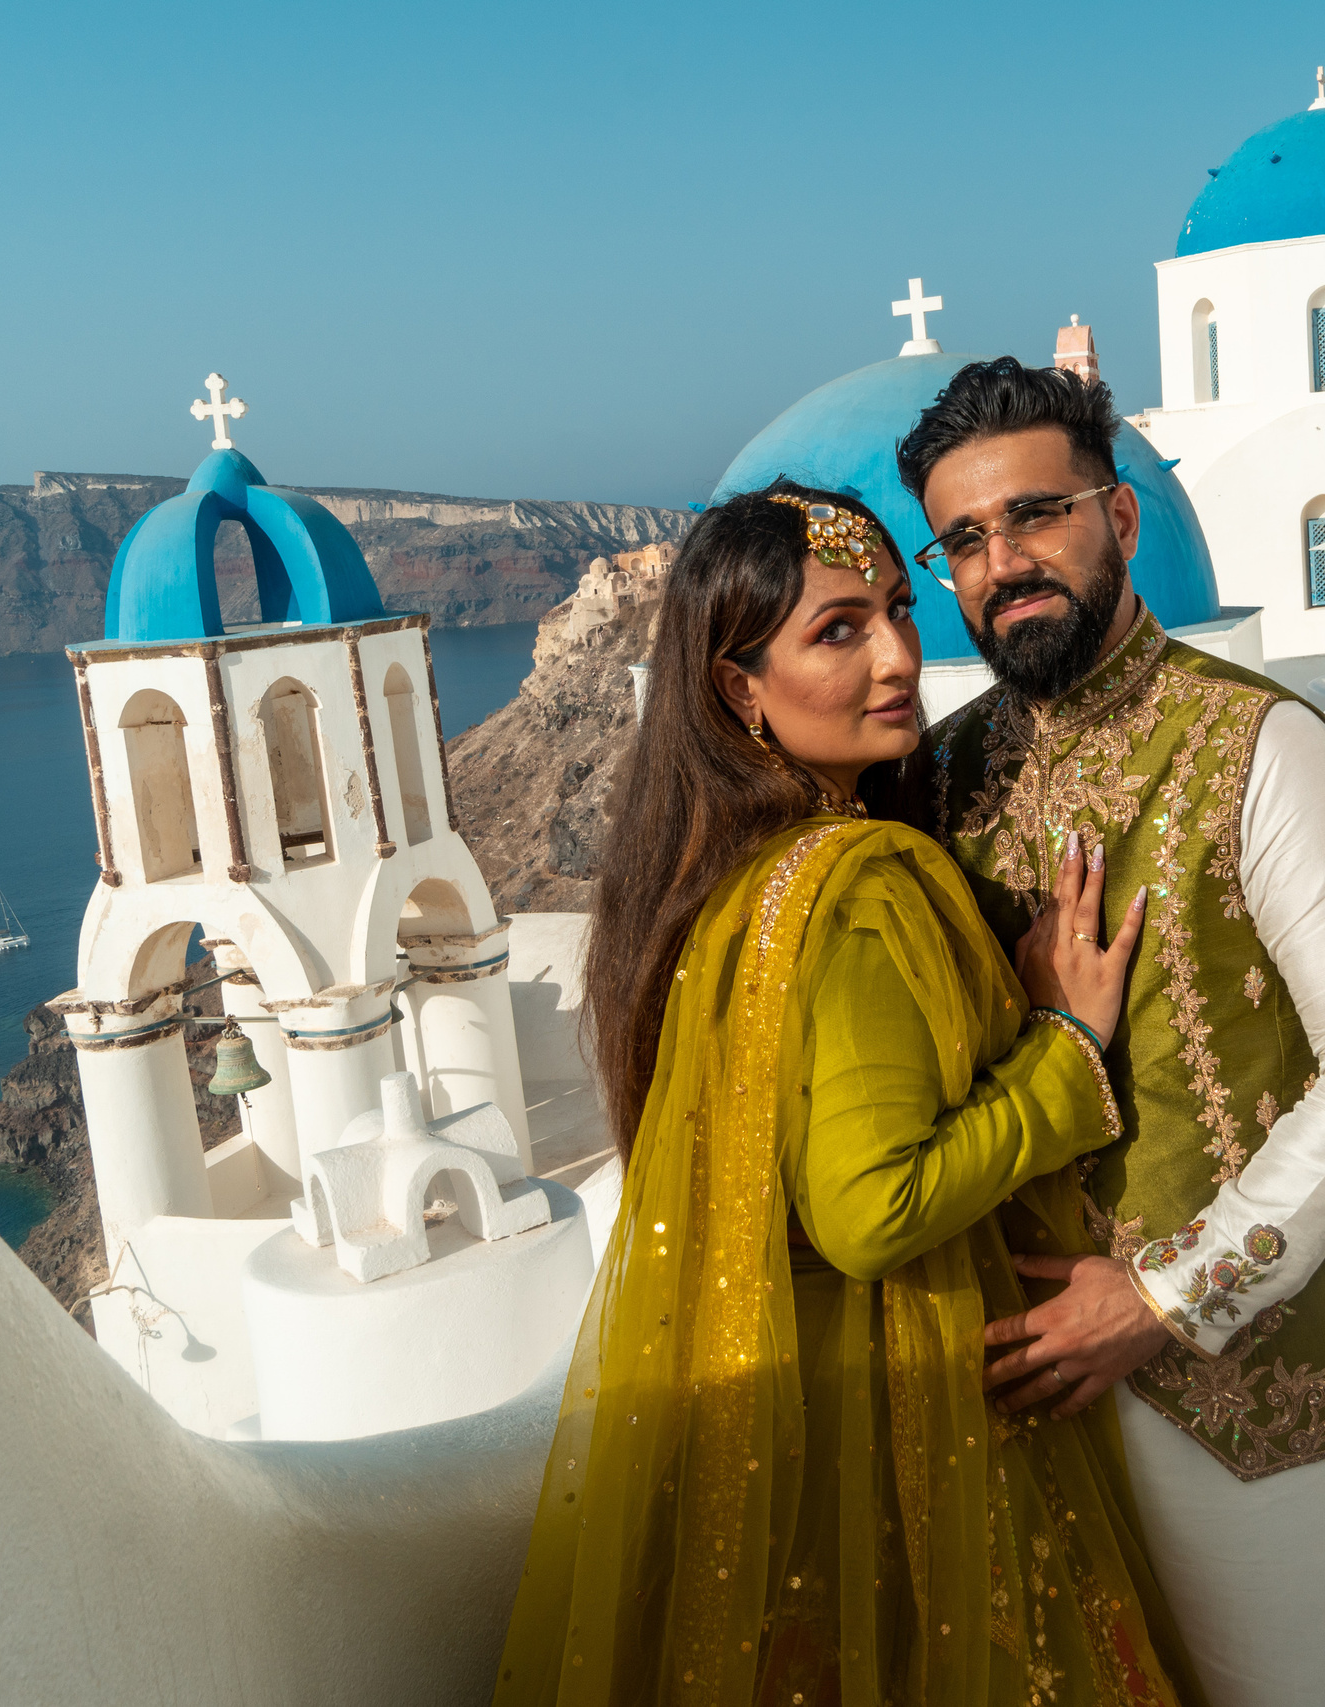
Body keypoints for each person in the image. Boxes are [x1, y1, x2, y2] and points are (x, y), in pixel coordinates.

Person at [492, 479, 1205, 1707]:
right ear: (737, 688)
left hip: (783, 1431)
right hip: (906, 1428)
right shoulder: (865, 881)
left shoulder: (709, 882)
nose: (895, 657)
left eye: (893, 610)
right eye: (836, 631)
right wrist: (1066, 1048)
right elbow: (871, 1207)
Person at [898, 361, 1325, 1706]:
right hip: (1030, 1401)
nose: (1004, 560)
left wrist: (1158, 1300)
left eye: (1036, 514)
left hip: (1260, 1398)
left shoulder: (1262, 745)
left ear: (1122, 519)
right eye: (964, 539)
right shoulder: (940, 780)